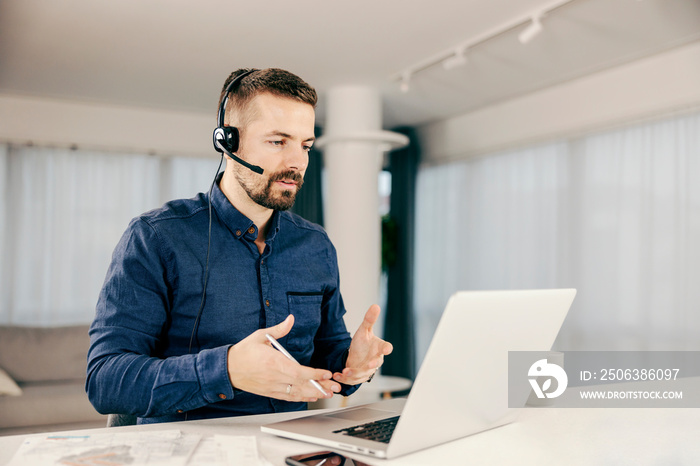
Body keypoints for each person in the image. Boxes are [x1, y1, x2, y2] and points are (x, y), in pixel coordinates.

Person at [86, 68, 393, 424]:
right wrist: (227, 369)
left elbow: (327, 350)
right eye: (278, 142)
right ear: (228, 143)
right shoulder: (154, 237)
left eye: (305, 145)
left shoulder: (315, 245)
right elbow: (105, 380)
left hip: (291, 446)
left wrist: (352, 363)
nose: (297, 162)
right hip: (187, 451)